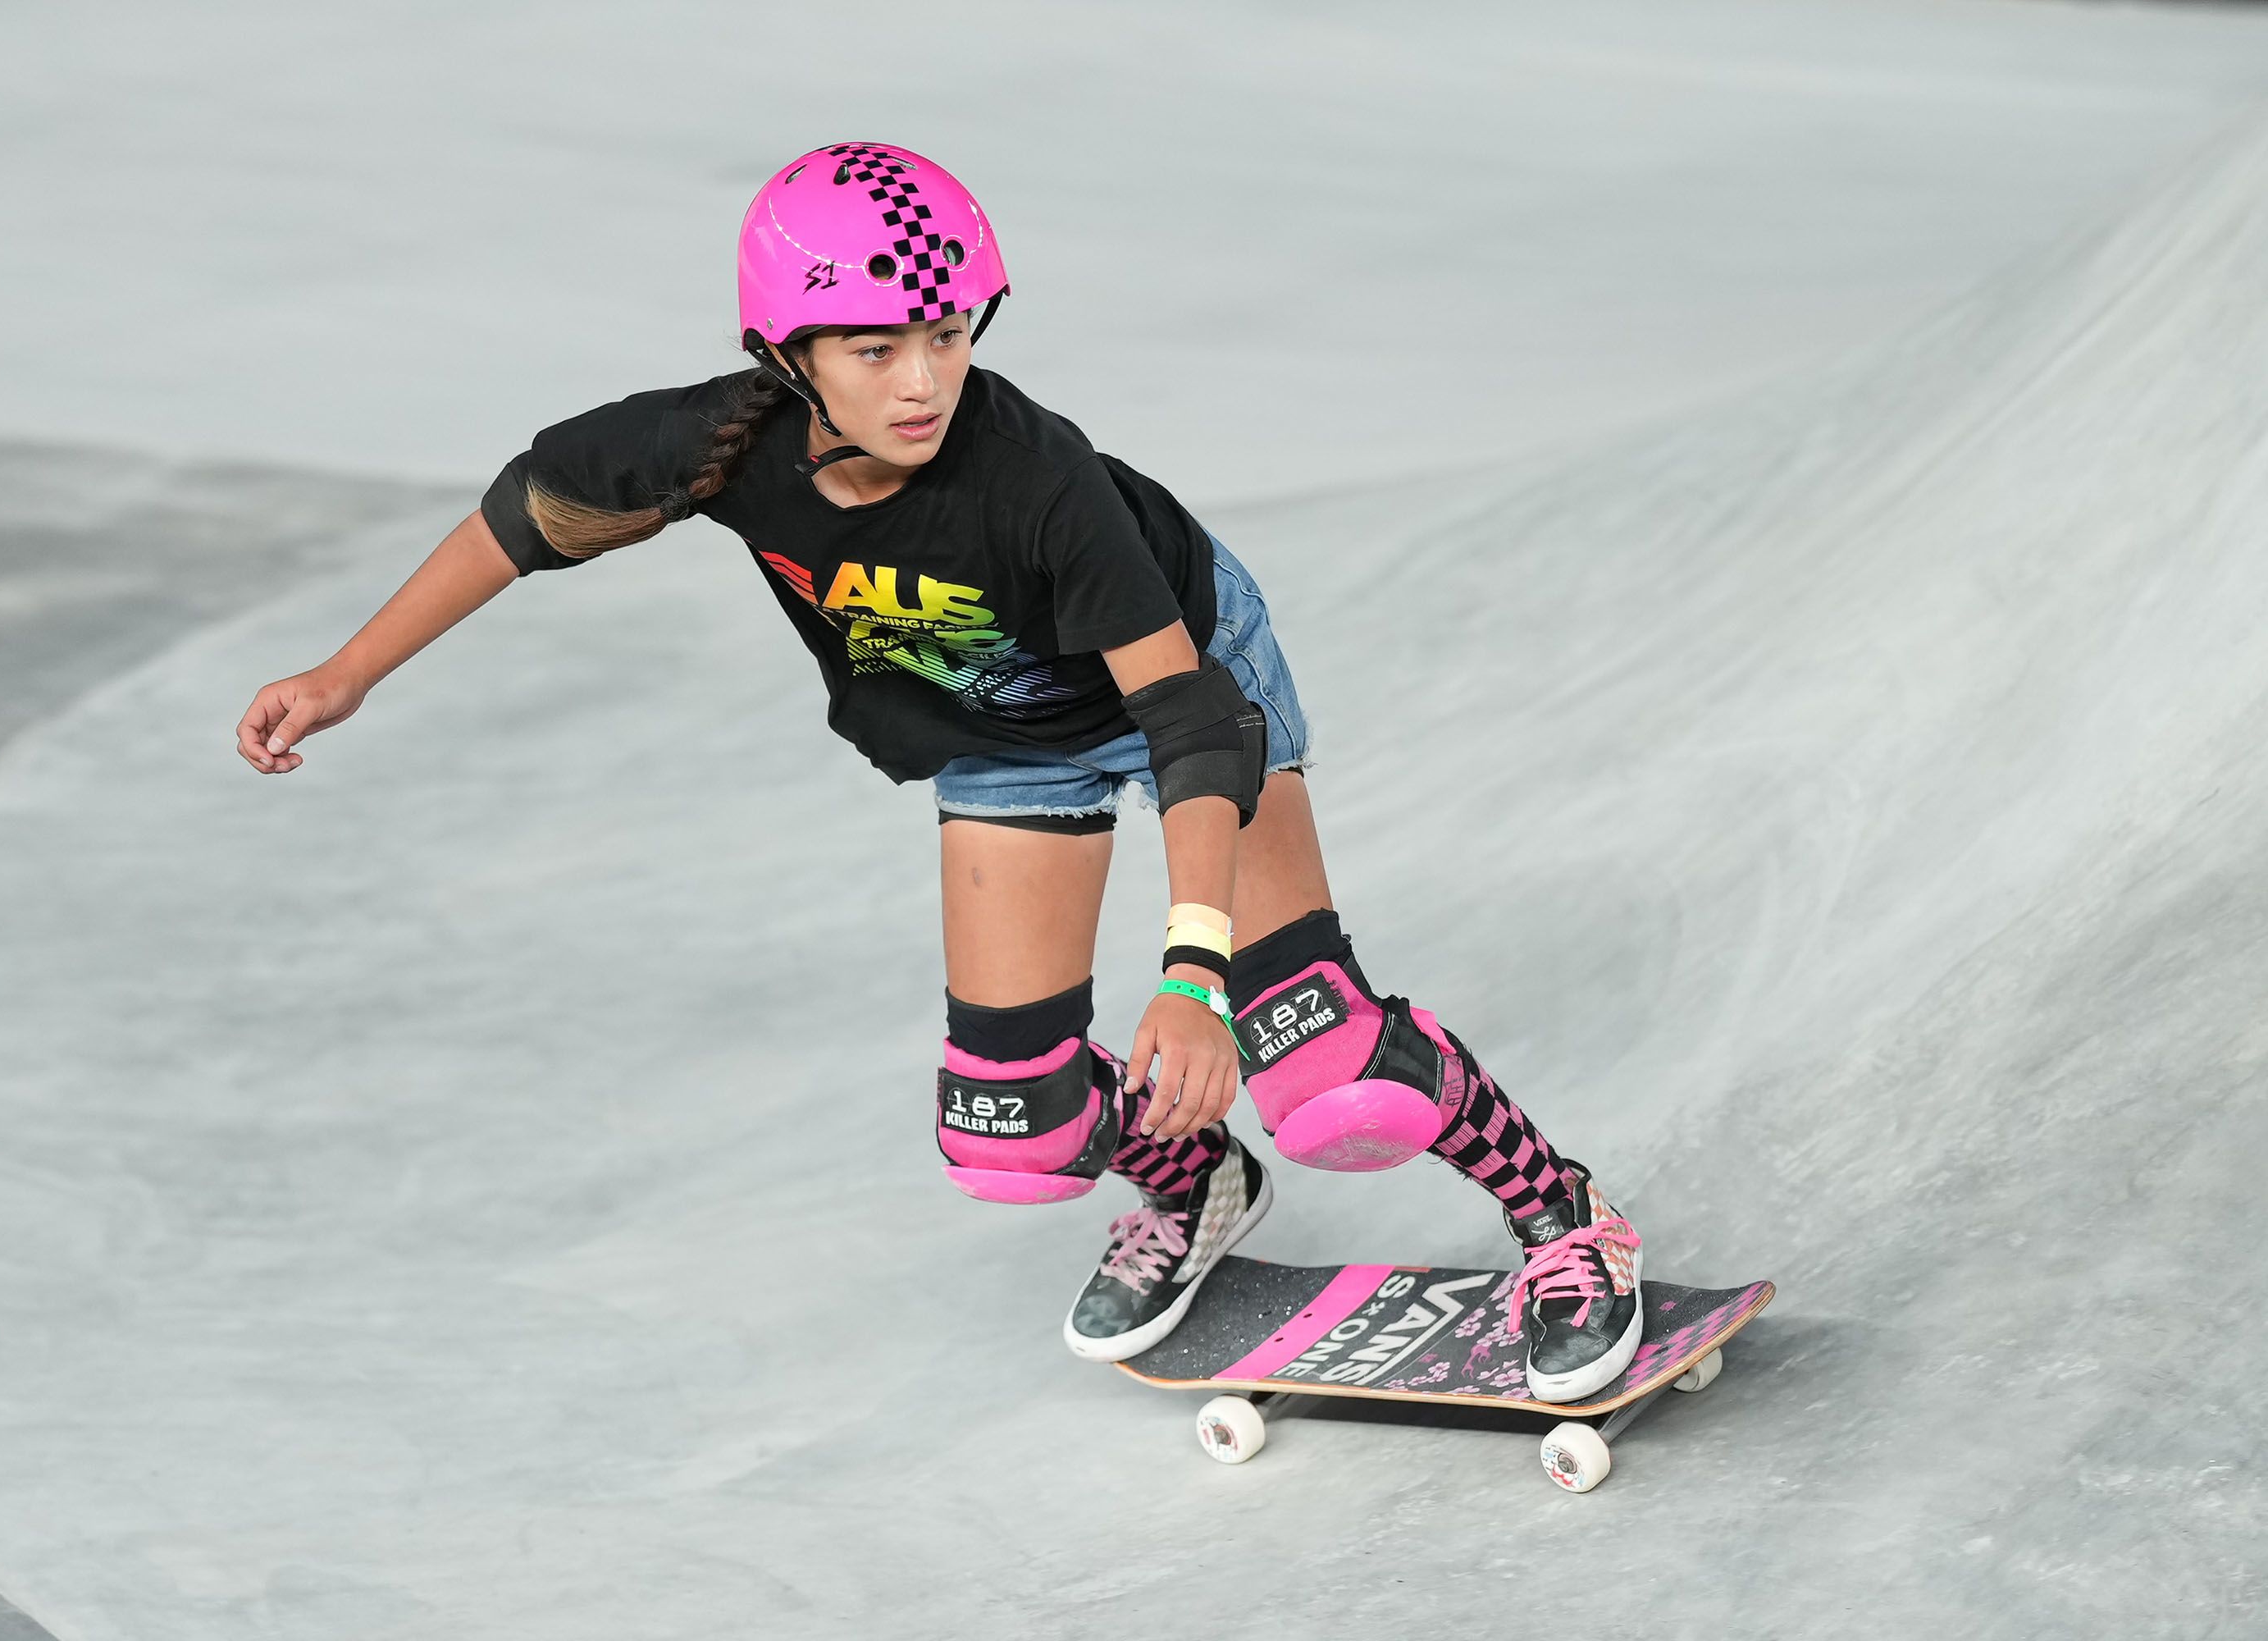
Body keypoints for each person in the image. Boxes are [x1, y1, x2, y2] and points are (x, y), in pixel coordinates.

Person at [233, 142, 1645, 1403]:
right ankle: (1198, 1180)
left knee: (1329, 1071)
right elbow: (524, 518)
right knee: (1009, 1126)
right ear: (784, 354)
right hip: (1006, 738)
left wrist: (1193, 978)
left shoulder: (1035, 477)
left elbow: (1193, 721)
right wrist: (349, 674)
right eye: (872, 349)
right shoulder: (714, 445)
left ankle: (1561, 1211)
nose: (922, 382)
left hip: (1187, 678)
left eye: (948, 333)